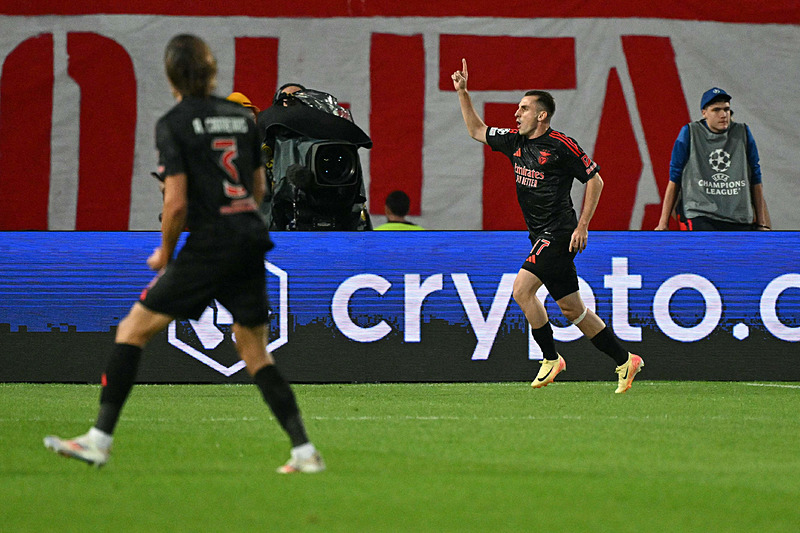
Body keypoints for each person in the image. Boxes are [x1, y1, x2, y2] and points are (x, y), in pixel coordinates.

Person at [44, 34, 325, 474]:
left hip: (211, 241)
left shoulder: (173, 123)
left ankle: (98, 440)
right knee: (254, 351)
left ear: (172, 76)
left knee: (132, 330)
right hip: (249, 238)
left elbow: (174, 204)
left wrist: (165, 253)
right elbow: (257, 190)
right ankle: (304, 451)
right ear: (212, 73)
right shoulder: (239, 117)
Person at [452, 58, 643, 394]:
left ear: (541, 115)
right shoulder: (515, 142)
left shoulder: (561, 146)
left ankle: (551, 357)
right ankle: (626, 360)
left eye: (524, 109)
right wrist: (463, 93)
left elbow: (595, 181)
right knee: (572, 309)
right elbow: (477, 131)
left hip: (558, 233)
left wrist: (583, 225)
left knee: (521, 290)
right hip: (539, 235)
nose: (516, 114)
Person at [655, 87, 771, 231]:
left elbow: (755, 178)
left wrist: (762, 223)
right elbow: (674, 178)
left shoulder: (743, 133)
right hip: (701, 214)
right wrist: (663, 223)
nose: (723, 115)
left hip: (738, 217)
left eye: (726, 109)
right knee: (708, 252)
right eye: (716, 110)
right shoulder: (690, 133)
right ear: (704, 113)